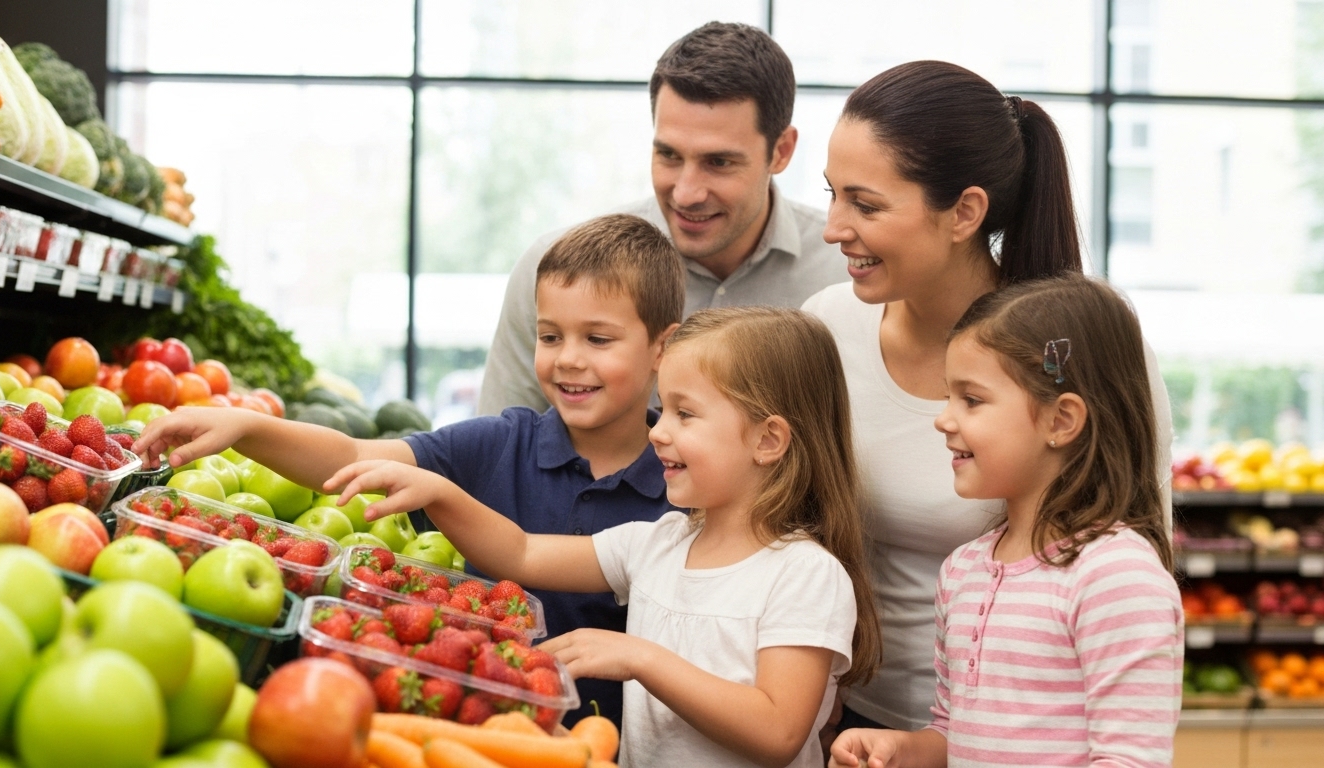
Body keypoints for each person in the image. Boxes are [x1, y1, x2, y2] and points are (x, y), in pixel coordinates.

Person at [132, 213, 685, 728]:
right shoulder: (498, 443)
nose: (567, 357)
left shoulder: (686, 483)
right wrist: (247, 428)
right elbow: (351, 456)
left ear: (663, 347)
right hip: (467, 731)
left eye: (598, 338)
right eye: (549, 336)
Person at [328, 307, 881, 768]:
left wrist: (641, 658)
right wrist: (439, 490)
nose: (658, 431)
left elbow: (779, 731)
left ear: (768, 440)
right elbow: (519, 551)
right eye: (664, 410)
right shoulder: (660, 543)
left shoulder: (807, 573)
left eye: (685, 415)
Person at [803, 60, 1175, 734]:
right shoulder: (827, 328)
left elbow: (1135, 575)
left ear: (965, 212)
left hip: (1029, 741)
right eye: (831, 194)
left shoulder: (1074, 357)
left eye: (865, 204)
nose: (832, 228)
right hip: (848, 725)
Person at [830, 274, 1183, 768]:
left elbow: (1130, 759)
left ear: (1061, 420)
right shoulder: (961, 570)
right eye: (948, 396)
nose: (943, 419)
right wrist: (903, 749)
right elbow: (954, 732)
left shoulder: (1115, 576)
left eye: (971, 400)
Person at [479, 21, 848, 415]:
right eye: (669, 155)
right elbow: (497, 457)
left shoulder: (846, 276)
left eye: (718, 162)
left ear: (781, 151)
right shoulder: (551, 269)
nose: (687, 193)